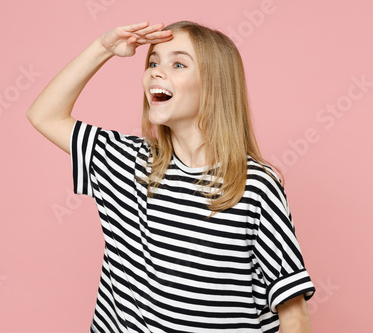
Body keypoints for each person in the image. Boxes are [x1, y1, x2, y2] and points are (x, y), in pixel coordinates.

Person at [27, 20, 315, 333]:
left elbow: (293, 315)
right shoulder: (126, 163)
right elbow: (44, 114)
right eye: (152, 62)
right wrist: (103, 49)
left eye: (178, 63)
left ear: (214, 86)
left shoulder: (254, 186)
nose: (156, 71)